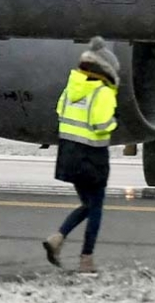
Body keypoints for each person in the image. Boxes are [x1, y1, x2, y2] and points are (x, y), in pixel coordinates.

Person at [43, 37, 121, 274]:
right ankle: (86, 258)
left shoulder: (72, 88)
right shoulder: (103, 92)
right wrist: (114, 123)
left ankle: (58, 238)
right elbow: (101, 125)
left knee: (87, 204)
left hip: (69, 154)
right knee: (95, 207)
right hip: (93, 155)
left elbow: (60, 111)